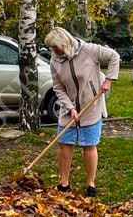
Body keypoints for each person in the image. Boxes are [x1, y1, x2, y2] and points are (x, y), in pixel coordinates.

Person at [45, 26, 120, 197]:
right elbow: (58, 88)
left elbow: (114, 57)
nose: (54, 51)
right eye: (52, 48)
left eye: (56, 47)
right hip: (68, 107)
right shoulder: (54, 61)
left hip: (91, 104)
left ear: (65, 43)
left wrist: (108, 80)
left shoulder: (89, 50)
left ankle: (90, 184)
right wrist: (70, 107)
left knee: (89, 144)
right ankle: (64, 183)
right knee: (64, 143)